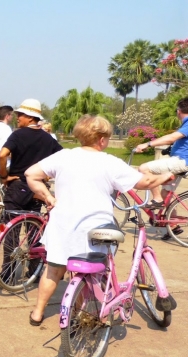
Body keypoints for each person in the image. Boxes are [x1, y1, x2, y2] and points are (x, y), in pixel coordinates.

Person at [26, 115, 174, 326]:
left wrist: (49, 198)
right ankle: (80, 314)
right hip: (95, 227)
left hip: (62, 225)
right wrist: (165, 177)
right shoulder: (109, 162)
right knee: (92, 271)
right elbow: (145, 182)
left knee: (53, 270)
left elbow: (31, 174)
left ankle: (37, 313)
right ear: (102, 139)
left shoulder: (62, 156)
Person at [0, 99, 62, 283]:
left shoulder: (18, 135)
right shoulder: (47, 138)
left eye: (20, 115)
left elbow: (2, 155)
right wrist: (46, 177)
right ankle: (34, 271)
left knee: (11, 231)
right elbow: (61, 158)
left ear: (30, 117)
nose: (17, 118)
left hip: (17, 187)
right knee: (35, 230)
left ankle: (8, 275)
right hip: (37, 189)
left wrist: (4, 176)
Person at [135, 97, 188, 224]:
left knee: (144, 168)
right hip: (180, 160)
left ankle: (157, 199)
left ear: (178, 111)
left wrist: (147, 144)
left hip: (181, 161)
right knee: (166, 192)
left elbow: (171, 138)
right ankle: (173, 225)